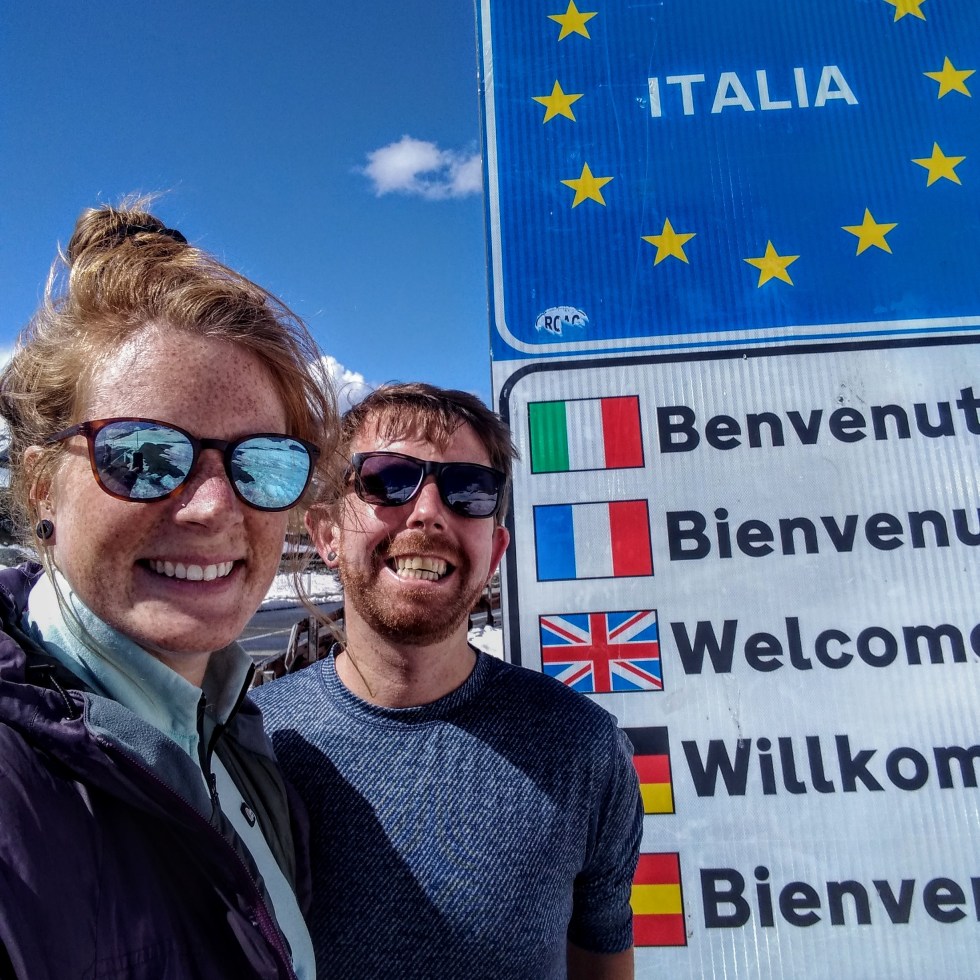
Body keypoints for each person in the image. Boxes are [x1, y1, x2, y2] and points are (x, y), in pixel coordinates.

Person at [0, 200, 337, 979]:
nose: (214, 506)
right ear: (44, 484)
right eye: (144, 455)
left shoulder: (237, 743)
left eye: (262, 462)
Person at [252, 382, 643, 979]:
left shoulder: (581, 748)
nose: (429, 511)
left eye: (469, 489)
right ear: (327, 534)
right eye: (387, 479)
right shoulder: (250, 746)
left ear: (495, 551)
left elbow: (603, 951)